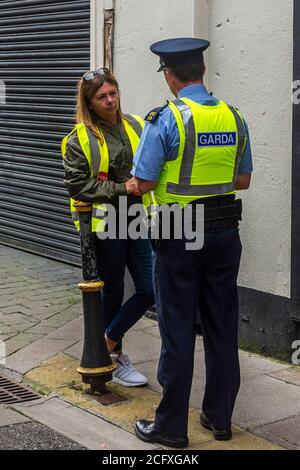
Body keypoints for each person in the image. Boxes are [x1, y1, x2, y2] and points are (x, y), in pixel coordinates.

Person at [132, 38, 252, 447]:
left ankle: (169, 428)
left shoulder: (166, 119)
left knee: (177, 330)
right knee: (222, 327)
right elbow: (243, 180)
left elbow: (144, 181)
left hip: (178, 234)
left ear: (169, 75)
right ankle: (219, 419)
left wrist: (134, 183)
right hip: (224, 235)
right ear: (201, 71)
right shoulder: (232, 116)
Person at [62, 68, 155, 387]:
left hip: (136, 219)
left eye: (113, 93)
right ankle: (114, 360)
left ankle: (106, 344)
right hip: (105, 224)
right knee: (112, 293)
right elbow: (77, 186)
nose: (110, 100)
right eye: (102, 97)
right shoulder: (79, 138)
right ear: (88, 102)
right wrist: (121, 189)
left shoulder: (136, 124)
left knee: (148, 289)